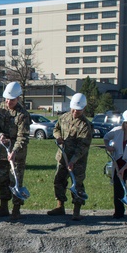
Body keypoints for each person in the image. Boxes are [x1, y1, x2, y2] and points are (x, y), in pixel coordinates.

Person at [0, 81, 31, 221]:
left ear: (18, 98)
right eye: (7, 99)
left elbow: (23, 137)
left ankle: (16, 209)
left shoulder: (22, 115)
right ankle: (3, 207)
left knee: (16, 181)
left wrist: (14, 151)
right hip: (2, 151)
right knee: (2, 178)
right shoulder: (0, 108)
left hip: (17, 154)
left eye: (11, 100)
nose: (8, 102)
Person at [48, 92, 93, 221]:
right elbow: (56, 129)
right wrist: (58, 137)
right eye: (73, 109)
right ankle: (60, 206)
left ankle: (76, 210)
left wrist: (73, 161)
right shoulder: (64, 118)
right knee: (59, 181)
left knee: (77, 184)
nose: (75, 112)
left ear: (83, 109)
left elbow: (83, 147)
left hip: (77, 161)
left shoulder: (85, 125)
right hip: (62, 157)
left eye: (78, 110)